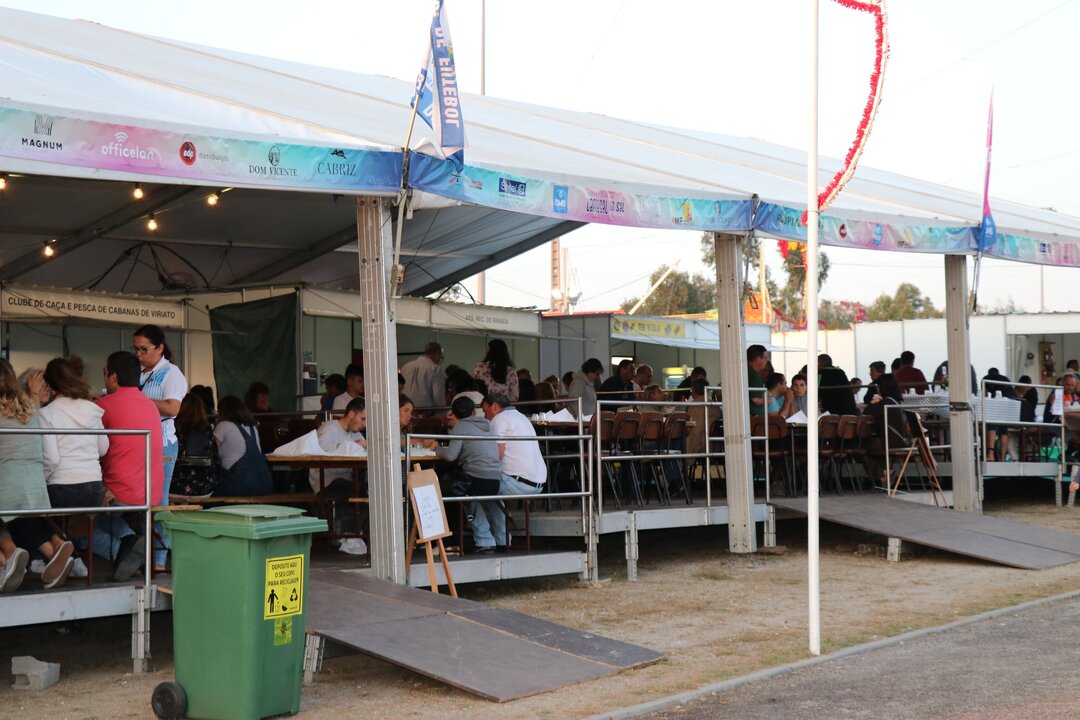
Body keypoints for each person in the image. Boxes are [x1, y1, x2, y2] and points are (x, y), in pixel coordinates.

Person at [0, 360, 75, 590]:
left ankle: (8, 556)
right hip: (34, 485)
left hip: (7, 485)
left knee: (10, 511)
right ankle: (53, 549)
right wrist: (32, 391)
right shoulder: (28, 406)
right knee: (22, 515)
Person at [96, 351, 164, 580]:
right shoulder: (151, 406)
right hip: (151, 493)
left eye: (104, 373)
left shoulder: (103, 406)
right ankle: (131, 544)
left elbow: (91, 449)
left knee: (78, 523)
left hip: (121, 493)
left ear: (113, 377)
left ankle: (126, 547)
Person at [39, 357, 108, 579]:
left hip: (64, 488)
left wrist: (41, 482)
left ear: (50, 386)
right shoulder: (92, 409)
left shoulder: (47, 413)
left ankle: (54, 557)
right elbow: (103, 448)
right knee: (75, 521)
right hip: (95, 488)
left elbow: (51, 459)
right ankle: (73, 559)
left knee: (29, 511)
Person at [132, 324, 187, 570]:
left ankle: (160, 559)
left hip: (163, 444)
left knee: (159, 501)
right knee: (142, 502)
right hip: (139, 443)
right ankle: (145, 554)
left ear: (160, 348)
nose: (139, 354)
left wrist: (139, 400)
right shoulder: (138, 372)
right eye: (135, 349)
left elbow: (172, 408)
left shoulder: (171, 373)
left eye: (144, 349)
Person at [435, 396, 507, 553]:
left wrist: (436, 448)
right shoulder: (488, 425)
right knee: (493, 501)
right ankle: (503, 539)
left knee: (465, 495)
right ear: (474, 411)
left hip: (475, 479)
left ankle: (484, 539)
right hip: (495, 478)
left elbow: (450, 456)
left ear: (454, 414)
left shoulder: (460, 427)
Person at [482, 393, 546, 548]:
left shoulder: (499, 419)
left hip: (518, 482)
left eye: (485, 410)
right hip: (539, 483)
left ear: (494, 406)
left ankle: (490, 539)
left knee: (481, 489)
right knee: (489, 488)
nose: (485, 416)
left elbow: (498, 454)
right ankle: (500, 537)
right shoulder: (521, 417)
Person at [214, 396, 272, 497]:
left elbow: (212, 453)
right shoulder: (252, 427)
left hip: (238, 484)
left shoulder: (223, 425)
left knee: (211, 494)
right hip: (263, 484)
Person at [310, 397, 366, 493]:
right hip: (326, 482)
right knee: (363, 491)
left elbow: (364, 449)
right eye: (363, 419)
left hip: (346, 480)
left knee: (370, 487)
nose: (365, 425)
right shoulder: (329, 428)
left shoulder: (355, 432)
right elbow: (320, 450)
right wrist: (353, 446)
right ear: (351, 414)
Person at [861, 372, 907, 484]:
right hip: (899, 441)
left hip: (887, 442)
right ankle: (884, 474)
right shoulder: (896, 402)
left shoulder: (884, 403)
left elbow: (865, 415)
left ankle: (882, 473)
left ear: (883, 387)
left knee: (858, 446)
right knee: (870, 445)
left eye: (878, 386)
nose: (877, 388)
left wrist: (872, 403)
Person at [172, 393, 217, 498]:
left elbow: (189, 460)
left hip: (180, 488)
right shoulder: (207, 430)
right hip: (206, 488)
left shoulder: (176, 430)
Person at [402, 342, 446, 410]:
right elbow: (438, 395)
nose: (440, 360)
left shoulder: (406, 366)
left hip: (406, 409)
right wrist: (442, 411)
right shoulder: (435, 369)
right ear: (437, 354)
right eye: (441, 357)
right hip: (425, 410)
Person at [747, 345, 769, 416]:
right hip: (753, 416)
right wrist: (768, 400)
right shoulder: (752, 374)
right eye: (765, 358)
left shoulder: (747, 371)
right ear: (757, 359)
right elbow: (755, 400)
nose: (767, 361)